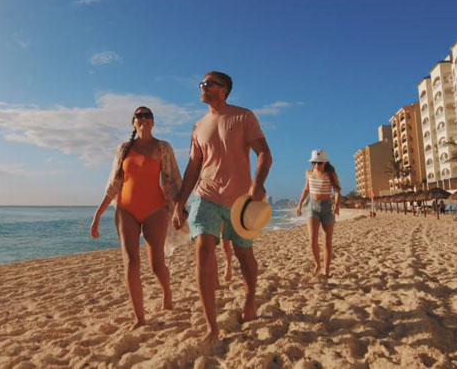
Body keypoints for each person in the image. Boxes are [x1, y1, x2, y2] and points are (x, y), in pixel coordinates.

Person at [172, 71, 272, 341]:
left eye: (208, 83)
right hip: (205, 196)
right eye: (202, 83)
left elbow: (264, 152)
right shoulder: (198, 126)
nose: (202, 87)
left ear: (223, 89)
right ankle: (211, 326)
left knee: (243, 254)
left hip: (240, 201)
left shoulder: (243, 116)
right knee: (204, 251)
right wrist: (180, 201)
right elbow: (194, 166)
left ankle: (250, 298)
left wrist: (258, 184)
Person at [90, 106, 182, 329]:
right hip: (126, 210)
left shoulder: (163, 147)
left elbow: (172, 181)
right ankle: (139, 317)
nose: (144, 119)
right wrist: (98, 214)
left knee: (156, 263)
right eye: (139, 116)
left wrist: (178, 208)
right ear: (133, 122)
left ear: (153, 122)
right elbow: (115, 183)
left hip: (156, 210)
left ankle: (167, 294)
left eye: (148, 115)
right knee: (131, 263)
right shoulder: (124, 149)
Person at [296, 150, 341, 278]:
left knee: (327, 241)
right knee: (312, 239)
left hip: (328, 207)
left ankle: (326, 271)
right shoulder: (309, 173)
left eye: (320, 163)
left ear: (325, 163)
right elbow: (306, 189)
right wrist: (299, 204)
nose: (317, 165)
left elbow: (337, 190)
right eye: (315, 162)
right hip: (313, 207)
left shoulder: (330, 173)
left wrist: (336, 204)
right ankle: (317, 265)